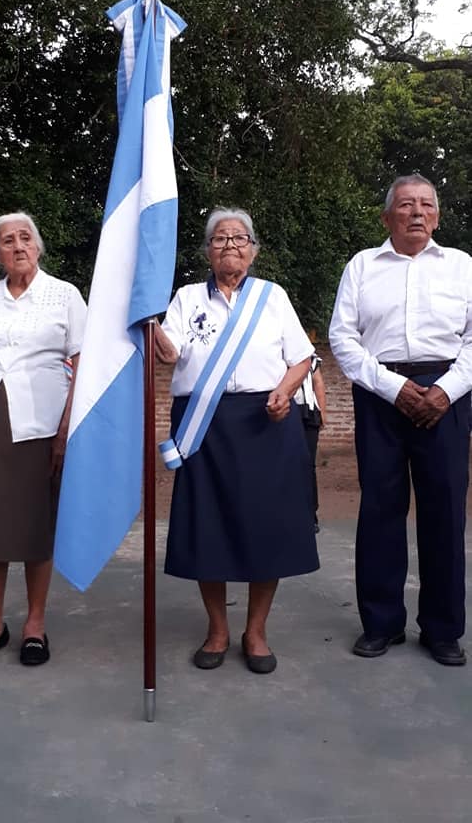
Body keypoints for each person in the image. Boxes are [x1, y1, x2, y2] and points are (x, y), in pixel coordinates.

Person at [156, 207, 319, 674]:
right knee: (207, 526)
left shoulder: (272, 296)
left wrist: (285, 393)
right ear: (207, 250)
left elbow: (302, 357)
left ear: (253, 249)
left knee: (265, 528)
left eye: (239, 238)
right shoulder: (187, 298)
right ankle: (217, 629)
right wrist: (148, 323)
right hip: (203, 423)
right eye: (220, 238)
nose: (230, 245)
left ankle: (256, 631)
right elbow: (171, 353)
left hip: (266, 419)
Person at [329, 174, 472, 666]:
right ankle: (381, 623)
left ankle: (442, 629)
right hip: (380, 395)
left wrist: (446, 391)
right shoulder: (363, 266)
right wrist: (393, 389)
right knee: (380, 511)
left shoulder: (461, 266)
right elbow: (343, 340)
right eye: (406, 204)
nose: (417, 212)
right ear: (387, 215)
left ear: (437, 215)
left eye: (426, 205)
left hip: (446, 396)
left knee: (446, 513)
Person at [0, 212, 87, 666]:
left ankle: (35, 625)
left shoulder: (64, 295)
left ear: (39, 246)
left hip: (41, 424)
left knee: (34, 524)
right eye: (8, 240)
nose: (19, 245)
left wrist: (66, 430)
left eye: (26, 237)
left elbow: (84, 364)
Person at [294, 354, 327, 531]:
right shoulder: (275, 353)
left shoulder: (311, 358)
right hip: (286, 409)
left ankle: (310, 514)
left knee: (307, 464)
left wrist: (323, 411)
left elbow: (318, 383)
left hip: (309, 412)